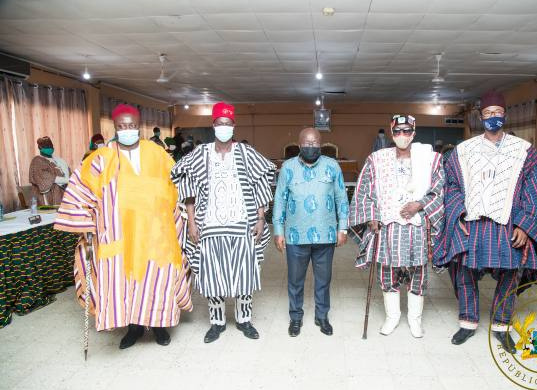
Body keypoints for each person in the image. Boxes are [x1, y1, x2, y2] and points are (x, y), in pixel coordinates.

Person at [54, 104, 193, 349]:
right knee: (125, 283)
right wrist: (86, 224)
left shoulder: (158, 153)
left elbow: (178, 184)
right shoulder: (101, 158)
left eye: (131, 126)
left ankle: (160, 326)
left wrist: (185, 214)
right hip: (119, 234)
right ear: (115, 128)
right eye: (122, 126)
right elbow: (81, 190)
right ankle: (134, 329)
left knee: (157, 280)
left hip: (156, 233)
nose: (127, 130)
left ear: (138, 127)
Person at [434, 90, 537, 353]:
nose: (492, 118)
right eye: (488, 114)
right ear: (480, 117)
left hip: (508, 224)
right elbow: (451, 186)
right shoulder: (463, 151)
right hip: (473, 224)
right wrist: (458, 215)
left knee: (512, 275)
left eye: (497, 114)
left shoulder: (525, 151)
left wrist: (525, 225)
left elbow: (535, 190)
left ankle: (502, 326)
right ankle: (467, 322)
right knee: (462, 271)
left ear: (505, 116)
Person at [171, 102, 276, 343]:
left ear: (234, 126)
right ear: (214, 126)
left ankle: (244, 320)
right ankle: (217, 323)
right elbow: (188, 186)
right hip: (209, 226)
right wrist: (191, 223)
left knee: (244, 274)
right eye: (220, 124)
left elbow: (261, 182)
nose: (224, 128)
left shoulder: (246, 153)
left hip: (243, 225)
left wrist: (260, 218)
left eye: (228, 124)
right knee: (213, 275)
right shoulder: (201, 153)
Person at [349, 114, 444, 338]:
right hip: (388, 227)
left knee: (418, 272)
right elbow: (364, 190)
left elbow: (441, 189)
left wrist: (419, 204)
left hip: (416, 226)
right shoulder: (377, 159)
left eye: (407, 131)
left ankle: (415, 319)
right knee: (387, 271)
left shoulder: (430, 159)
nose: (402, 136)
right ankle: (392, 317)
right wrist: (371, 216)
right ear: (392, 133)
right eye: (398, 131)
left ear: (414, 132)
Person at [273, 128, 349, 337]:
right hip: (295, 236)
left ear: (321, 144)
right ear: (299, 145)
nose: (311, 147)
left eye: (315, 143)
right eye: (307, 143)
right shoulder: (287, 167)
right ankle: (295, 317)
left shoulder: (332, 166)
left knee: (323, 280)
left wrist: (342, 227)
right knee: (295, 281)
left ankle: (322, 316)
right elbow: (280, 200)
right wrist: (278, 230)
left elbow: (341, 198)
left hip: (326, 235)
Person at [29, 136, 70, 206]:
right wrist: (67, 180)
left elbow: (68, 173)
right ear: (40, 148)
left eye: (50, 146)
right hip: (45, 195)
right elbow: (47, 178)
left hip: (62, 193)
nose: (49, 148)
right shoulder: (37, 161)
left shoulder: (58, 160)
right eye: (46, 146)